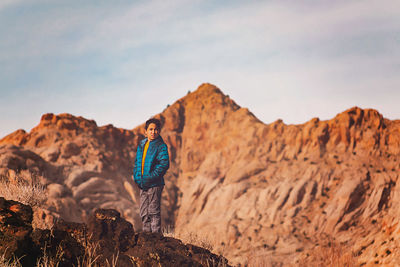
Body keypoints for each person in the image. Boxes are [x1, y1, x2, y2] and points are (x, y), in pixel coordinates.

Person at [133, 118, 169, 233]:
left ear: (159, 131)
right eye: (151, 129)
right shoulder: (142, 145)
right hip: (143, 184)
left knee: (153, 212)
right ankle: (147, 239)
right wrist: (138, 178)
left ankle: (156, 240)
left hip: (155, 184)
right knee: (144, 213)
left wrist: (150, 177)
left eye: (156, 129)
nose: (153, 132)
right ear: (146, 131)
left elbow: (164, 164)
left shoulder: (161, 146)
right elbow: (137, 163)